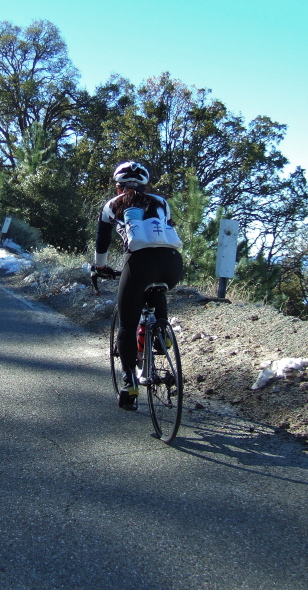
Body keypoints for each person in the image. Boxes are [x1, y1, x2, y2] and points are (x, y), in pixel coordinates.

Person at [93, 161, 184, 411]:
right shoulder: (161, 202)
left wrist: (101, 267)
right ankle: (162, 334)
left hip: (139, 262)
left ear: (118, 186)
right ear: (145, 185)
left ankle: (129, 383)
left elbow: (102, 241)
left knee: (127, 324)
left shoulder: (112, 205)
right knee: (156, 286)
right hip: (172, 263)